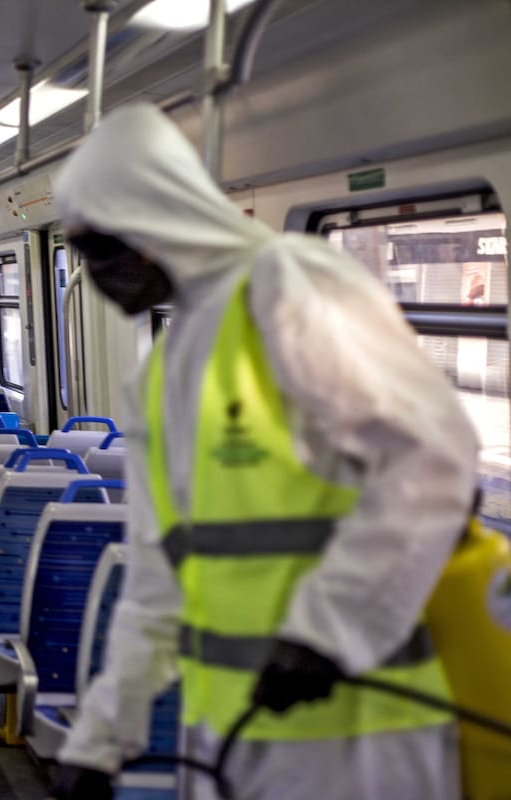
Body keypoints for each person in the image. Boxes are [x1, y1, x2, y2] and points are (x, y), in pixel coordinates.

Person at [49, 103, 477, 799]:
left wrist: (324, 632)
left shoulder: (290, 286)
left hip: (357, 724)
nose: (95, 274)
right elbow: (159, 576)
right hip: (229, 730)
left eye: (100, 249)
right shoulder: (163, 373)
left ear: (154, 227)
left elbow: (429, 458)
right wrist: (100, 738)